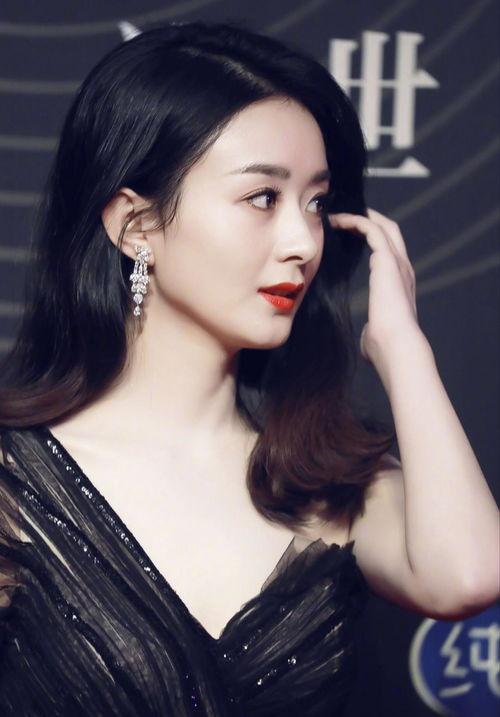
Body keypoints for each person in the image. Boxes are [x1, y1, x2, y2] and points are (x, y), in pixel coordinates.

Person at [0, 20, 498, 717]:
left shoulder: (324, 478)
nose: (303, 242)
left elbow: (469, 577)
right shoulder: (14, 482)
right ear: (136, 227)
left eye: (316, 203)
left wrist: (403, 347)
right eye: (262, 197)